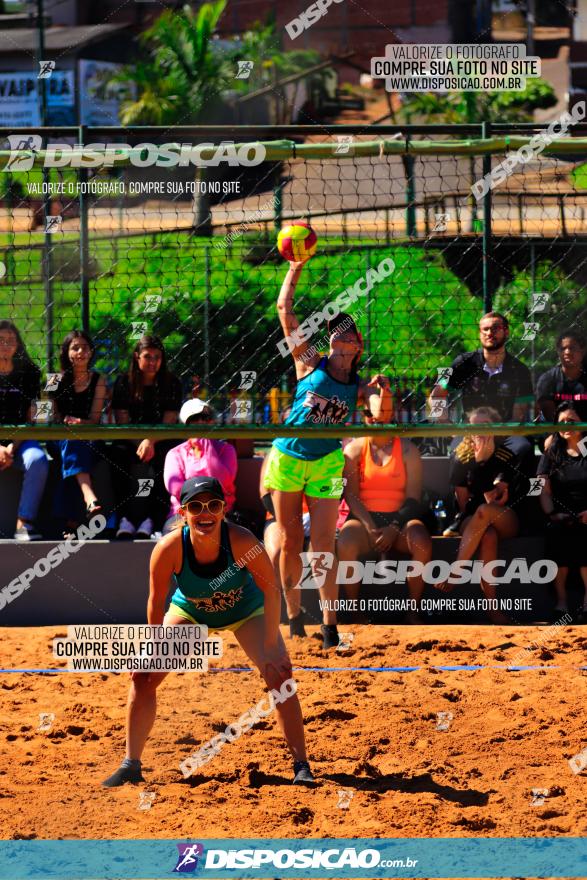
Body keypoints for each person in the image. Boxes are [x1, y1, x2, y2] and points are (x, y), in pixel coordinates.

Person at [102, 476, 313, 788]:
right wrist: (153, 647)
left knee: (279, 675)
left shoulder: (241, 541)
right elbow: (156, 601)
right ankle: (131, 764)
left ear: (223, 510)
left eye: (213, 505)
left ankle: (301, 765)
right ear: (183, 512)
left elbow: (271, 591)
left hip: (245, 610)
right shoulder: (168, 548)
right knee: (143, 676)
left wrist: (270, 644)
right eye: (196, 506)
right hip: (192, 611)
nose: (205, 512)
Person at [262, 260, 390, 649]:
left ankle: (330, 625)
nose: (339, 337)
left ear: (357, 346)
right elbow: (285, 309)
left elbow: (379, 419)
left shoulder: (359, 385)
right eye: (336, 332)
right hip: (287, 457)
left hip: (327, 462)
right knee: (288, 542)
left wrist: (383, 389)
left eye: (348, 334)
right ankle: (294, 615)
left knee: (323, 542)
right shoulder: (309, 363)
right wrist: (295, 266)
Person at [337, 397, 434, 624]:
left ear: (391, 417)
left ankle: (412, 610)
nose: (377, 422)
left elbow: (413, 498)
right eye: (371, 417)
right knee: (346, 541)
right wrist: (371, 527)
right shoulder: (353, 450)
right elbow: (350, 495)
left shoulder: (408, 450)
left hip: (400, 519)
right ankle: (354, 612)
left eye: (382, 418)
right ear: (365, 417)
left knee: (421, 540)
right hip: (364, 520)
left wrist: (393, 527)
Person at [441, 406, 530, 623]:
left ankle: (457, 569)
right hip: (474, 520)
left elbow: (494, 500)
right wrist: (474, 461)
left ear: (495, 427)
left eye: (485, 426)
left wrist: (482, 463)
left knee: (485, 511)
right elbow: (462, 505)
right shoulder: (461, 455)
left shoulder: (506, 452)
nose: (479, 431)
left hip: (506, 517)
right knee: (487, 534)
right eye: (474, 427)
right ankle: (492, 608)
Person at [431, 312, 535, 465]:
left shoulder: (520, 370)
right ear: (479, 334)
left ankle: (501, 487)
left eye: (495, 328)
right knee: (458, 458)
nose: (489, 333)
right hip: (469, 432)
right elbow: (437, 394)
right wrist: (448, 426)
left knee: (523, 449)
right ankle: (461, 489)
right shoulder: (463, 363)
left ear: (506, 332)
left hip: (504, 434)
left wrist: (496, 437)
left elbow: (517, 416)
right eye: (485, 329)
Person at [112, 334, 182, 539]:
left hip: (161, 439)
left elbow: (169, 420)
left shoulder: (172, 383)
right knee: (116, 455)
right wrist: (141, 442)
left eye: (157, 357)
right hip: (131, 440)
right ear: (136, 357)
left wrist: (150, 441)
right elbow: (122, 422)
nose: (152, 362)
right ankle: (124, 518)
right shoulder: (123, 382)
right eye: (147, 356)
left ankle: (154, 519)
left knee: (168, 456)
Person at [50, 330, 107, 531]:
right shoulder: (53, 379)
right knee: (70, 440)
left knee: (74, 447)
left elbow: (95, 419)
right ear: (67, 352)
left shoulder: (99, 379)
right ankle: (89, 497)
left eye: (85, 347)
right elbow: (47, 416)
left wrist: (78, 422)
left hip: (90, 439)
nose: (81, 351)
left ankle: (70, 525)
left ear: (91, 352)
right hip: (58, 440)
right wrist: (63, 420)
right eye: (75, 347)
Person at [537, 403, 587, 617]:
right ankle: (562, 602)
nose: (567, 425)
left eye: (572, 421)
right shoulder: (552, 451)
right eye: (562, 422)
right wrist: (551, 514)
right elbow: (540, 488)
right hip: (560, 514)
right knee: (558, 534)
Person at [0, 320, 49, 540]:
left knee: (37, 460)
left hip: (20, 440)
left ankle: (24, 523)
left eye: (10, 340)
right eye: (0, 341)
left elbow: (34, 418)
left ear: (18, 344)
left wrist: (11, 447)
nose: (5, 345)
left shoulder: (30, 373)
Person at [163, 399, 237, 534]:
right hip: (185, 512)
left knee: (231, 533)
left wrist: (206, 446)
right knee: (171, 534)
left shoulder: (226, 450)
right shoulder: (175, 454)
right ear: (185, 424)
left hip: (220, 510)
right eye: (195, 418)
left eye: (206, 418)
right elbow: (177, 490)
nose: (201, 422)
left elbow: (224, 482)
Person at [536, 330, 587, 424]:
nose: (567, 352)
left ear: (582, 351)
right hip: (557, 430)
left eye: (572, 348)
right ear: (558, 351)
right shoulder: (548, 379)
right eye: (563, 348)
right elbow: (550, 417)